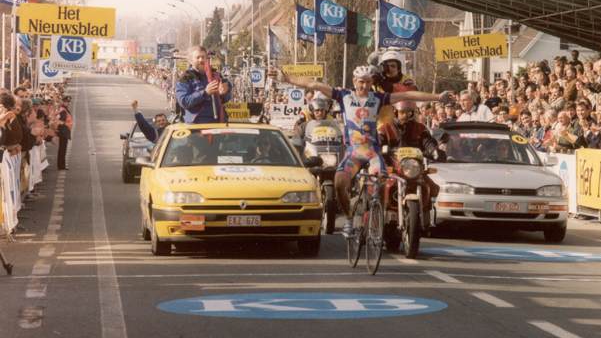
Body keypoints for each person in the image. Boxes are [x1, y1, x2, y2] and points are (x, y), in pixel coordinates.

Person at [268, 65, 442, 238]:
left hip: (373, 152)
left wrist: (437, 97)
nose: (364, 86)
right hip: (353, 153)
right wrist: (285, 78)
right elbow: (314, 85)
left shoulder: (378, 98)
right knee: (339, 183)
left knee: (381, 182)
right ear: (354, 81)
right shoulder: (343, 96)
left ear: (372, 82)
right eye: (361, 82)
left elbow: (408, 95)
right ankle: (349, 218)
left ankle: (376, 220)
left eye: (368, 82)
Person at [175, 46, 231, 124]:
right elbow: (184, 102)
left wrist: (223, 94)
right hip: (196, 126)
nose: (201, 60)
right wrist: (204, 93)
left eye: (203, 57)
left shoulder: (216, 75)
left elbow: (227, 98)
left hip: (217, 124)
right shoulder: (186, 78)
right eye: (197, 58)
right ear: (191, 61)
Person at [57, 96, 73, 170]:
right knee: (63, 150)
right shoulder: (63, 110)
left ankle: (61, 165)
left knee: (62, 149)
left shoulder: (64, 109)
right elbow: (62, 121)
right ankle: (61, 166)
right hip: (64, 131)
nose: (68, 103)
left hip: (64, 131)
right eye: (67, 102)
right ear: (63, 102)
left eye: (69, 102)